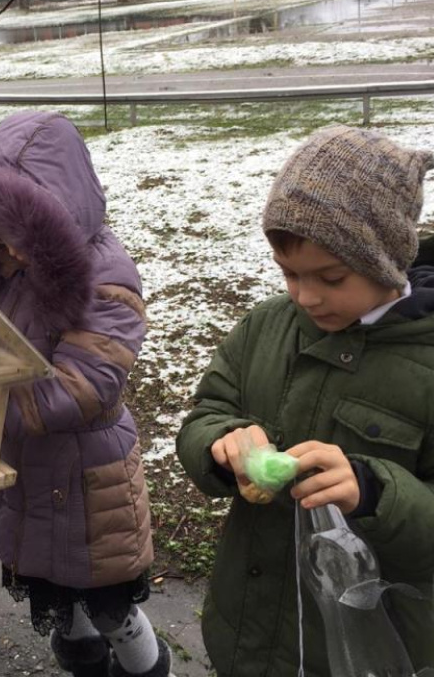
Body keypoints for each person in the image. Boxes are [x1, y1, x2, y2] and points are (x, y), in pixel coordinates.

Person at [0, 111, 172, 677]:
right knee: (57, 591)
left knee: (108, 603)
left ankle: (148, 668)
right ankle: (82, 662)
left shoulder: (105, 277)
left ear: (53, 219)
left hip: (88, 476)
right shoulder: (8, 271)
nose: (4, 248)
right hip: (31, 468)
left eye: (15, 235)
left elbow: (81, 387)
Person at [176, 124, 434, 677]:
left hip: (366, 649)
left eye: (331, 277)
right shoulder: (266, 327)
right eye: (288, 273)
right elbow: (205, 414)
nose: (305, 296)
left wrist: (373, 492)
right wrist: (223, 444)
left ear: (388, 260)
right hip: (248, 632)